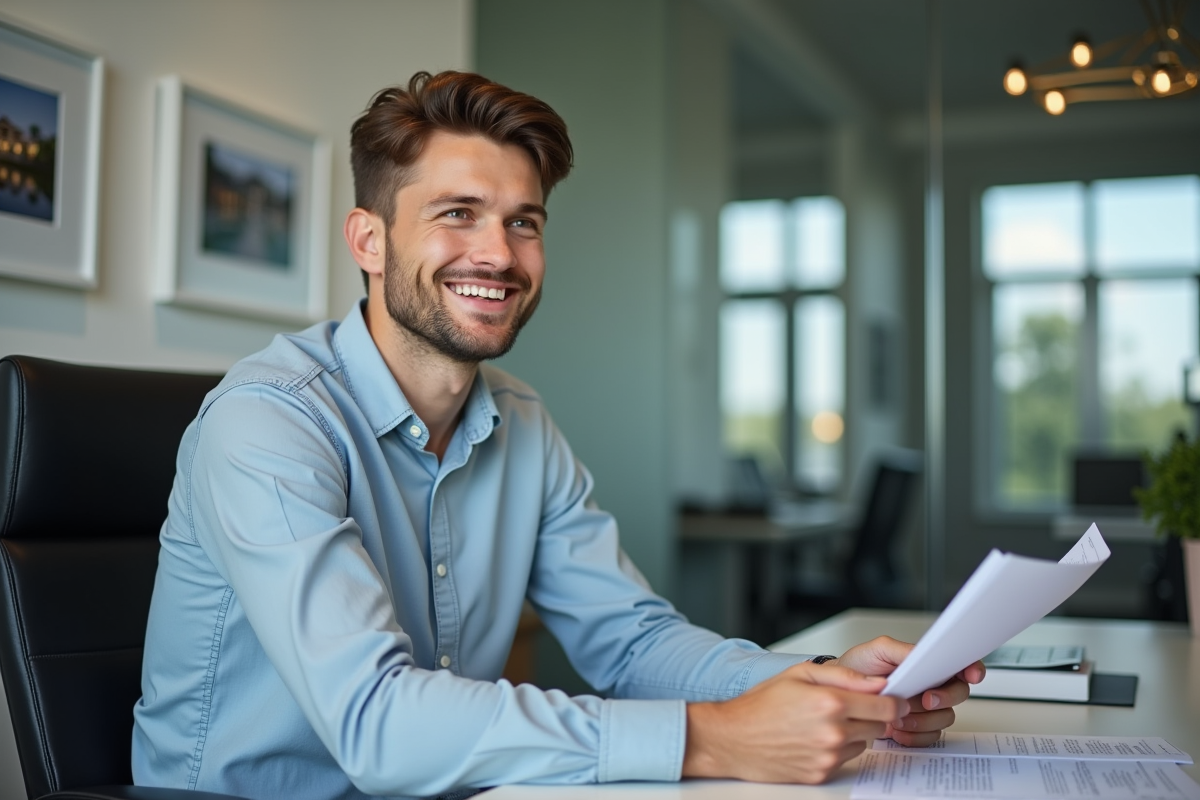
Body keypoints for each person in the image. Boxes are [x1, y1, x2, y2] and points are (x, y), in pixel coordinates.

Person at [133, 70, 982, 800]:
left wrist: (820, 687)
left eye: (523, 222)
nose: (498, 254)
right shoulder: (268, 420)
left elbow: (632, 640)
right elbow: (376, 720)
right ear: (370, 240)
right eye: (457, 213)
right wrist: (713, 737)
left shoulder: (521, 420)